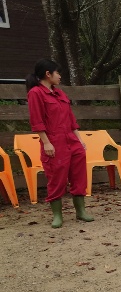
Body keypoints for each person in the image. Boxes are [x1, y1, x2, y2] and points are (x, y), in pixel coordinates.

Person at [26, 59, 93, 228]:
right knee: (56, 178)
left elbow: (71, 119)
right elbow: (37, 121)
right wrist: (46, 143)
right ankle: (57, 215)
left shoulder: (60, 93)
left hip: (72, 140)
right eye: (58, 73)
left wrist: (79, 139)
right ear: (48, 74)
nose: (60, 76)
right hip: (54, 141)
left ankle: (81, 211)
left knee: (79, 175)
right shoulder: (36, 93)